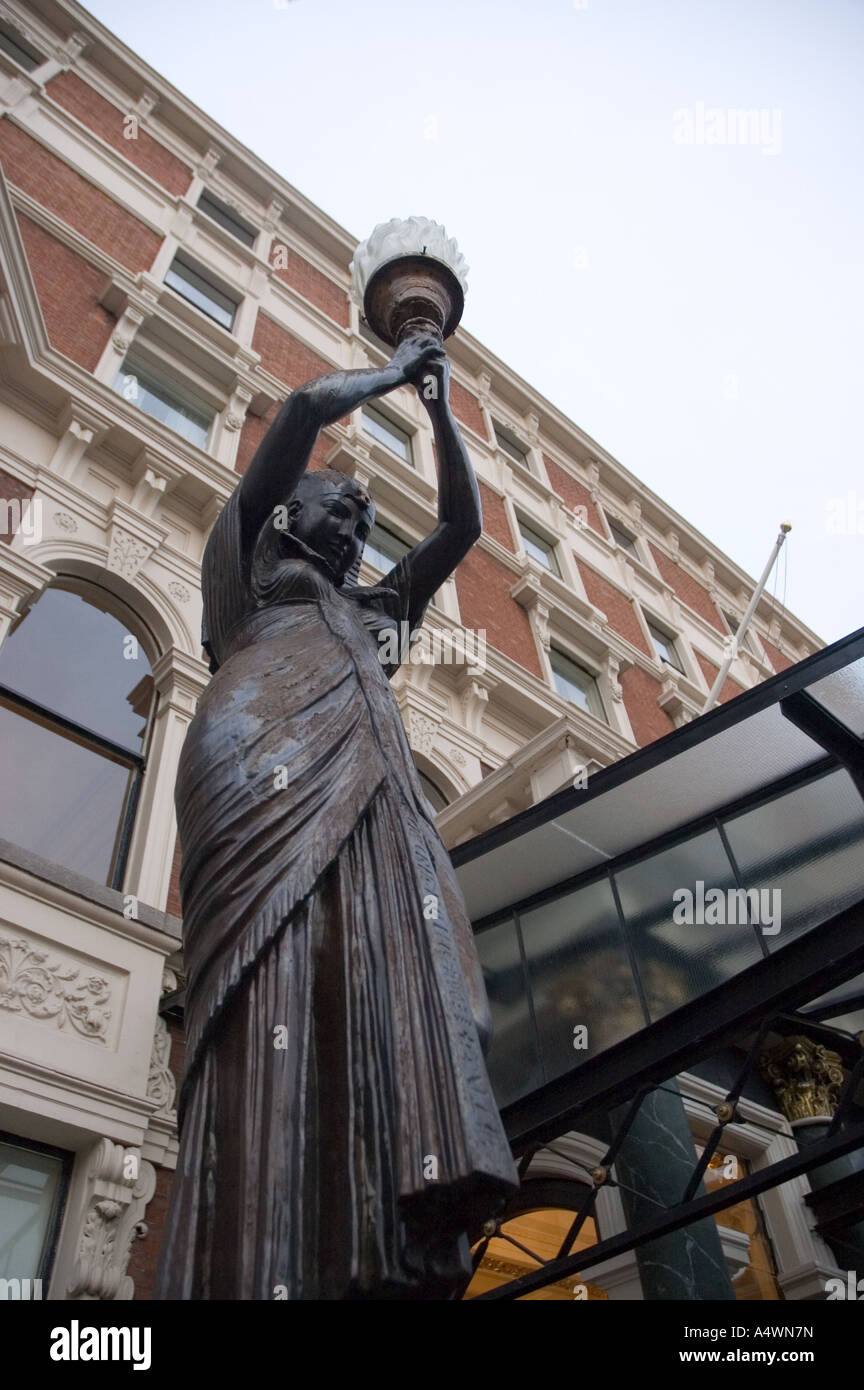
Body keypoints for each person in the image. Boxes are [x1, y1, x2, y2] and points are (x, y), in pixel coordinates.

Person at [156, 334, 517, 1300]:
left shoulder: (375, 617)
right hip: (256, 758)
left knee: (453, 1004)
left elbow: (461, 527)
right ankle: (267, 1253)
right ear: (286, 514)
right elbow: (305, 410)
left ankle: (377, 1222)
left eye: (365, 521)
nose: (358, 528)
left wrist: (440, 408)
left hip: (379, 793)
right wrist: (395, 371)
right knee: (282, 981)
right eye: (343, 508)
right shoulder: (243, 567)